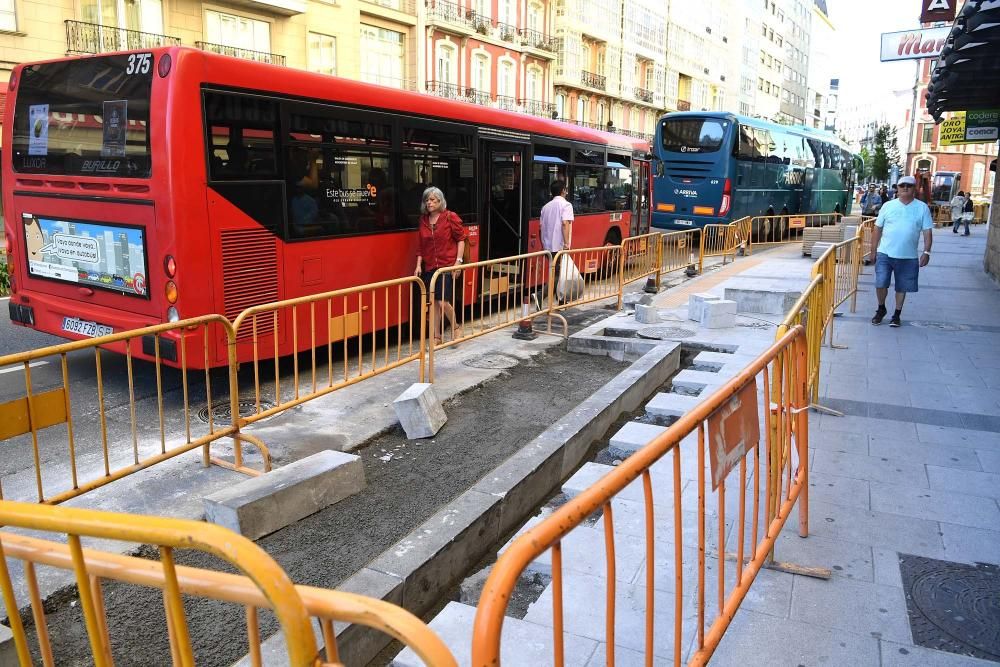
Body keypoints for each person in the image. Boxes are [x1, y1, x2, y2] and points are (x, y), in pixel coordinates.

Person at [868, 175, 933, 328]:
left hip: (908, 256)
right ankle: (881, 308)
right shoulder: (888, 206)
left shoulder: (922, 208)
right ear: (897, 188)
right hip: (885, 253)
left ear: (914, 189)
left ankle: (896, 314)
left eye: (909, 186)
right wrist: (873, 250)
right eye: (902, 185)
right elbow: (877, 229)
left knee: (902, 286)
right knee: (881, 283)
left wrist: (926, 252)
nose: (905, 188)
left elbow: (927, 232)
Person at [414, 186, 467, 342]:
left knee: (443, 302)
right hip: (430, 267)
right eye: (427, 200)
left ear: (440, 201)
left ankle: (456, 327)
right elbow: (420, 246)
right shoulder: (423, 220)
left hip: (446, 266)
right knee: (434, 305)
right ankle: (437, 336)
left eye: (432, 199)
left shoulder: (450, 217)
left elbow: (461, 239)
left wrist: (458, 262)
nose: (429, 203)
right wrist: (418, 265)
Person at [539, 179, 574, 301]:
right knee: (559, 274)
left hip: (548, 246)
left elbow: (541, 227)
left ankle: (561, 300)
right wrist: (566, 244)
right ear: (563, 191)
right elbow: (565, 224)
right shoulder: (566, 205)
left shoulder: (545, 207)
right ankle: (540, 296)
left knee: (556, 273)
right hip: (559, 246)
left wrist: (543, 243)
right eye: (565, 189)